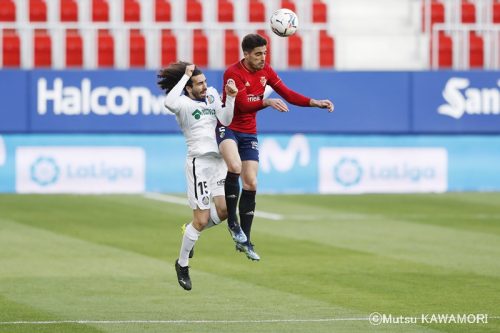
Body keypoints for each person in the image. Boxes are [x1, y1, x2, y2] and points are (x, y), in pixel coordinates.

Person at [217, 34, 334, 261]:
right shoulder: (232, 73)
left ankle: (245, 240)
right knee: (234, 165)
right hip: (228, 126)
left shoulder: (266, 71)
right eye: (258, 54)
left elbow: (288, 94)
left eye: (265, 53)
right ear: (246, 54)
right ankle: (232, 221)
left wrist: (315, 102)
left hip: (249, 131)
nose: (263, 58)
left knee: (251, 181)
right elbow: (241, 104)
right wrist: (266, 102)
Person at [157, 62, 247, 291]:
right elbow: (168, 102)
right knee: (201, 220)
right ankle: (182, 264)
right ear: (188, 88)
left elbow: (225, 120)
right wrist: (185, 76)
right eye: (199, 83)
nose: (205, 86)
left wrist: (232, 98)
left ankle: (190, 231)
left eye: (205, 82)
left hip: (218, 162)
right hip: (199, 164)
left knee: (226, 211)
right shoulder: (184, 104)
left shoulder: (212, 96)